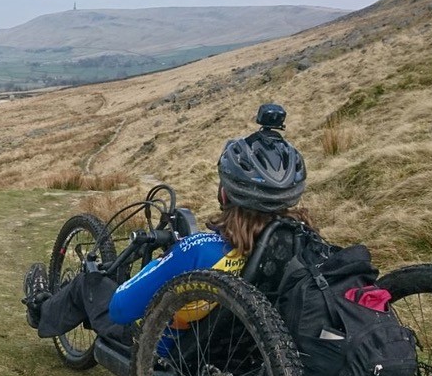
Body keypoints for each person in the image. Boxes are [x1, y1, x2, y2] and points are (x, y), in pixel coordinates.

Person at [23, 103, 315, 345]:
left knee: (88, 281)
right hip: (242, 356)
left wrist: (162, 264)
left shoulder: (201, 250)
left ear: (225, 193)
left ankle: (40, 310)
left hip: (169, 350)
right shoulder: (300, 249)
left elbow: (121, 308)